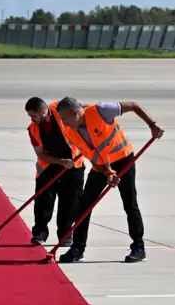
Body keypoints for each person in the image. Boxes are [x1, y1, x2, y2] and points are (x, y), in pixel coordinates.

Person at [54, 97, 164, 263]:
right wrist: (108, 173)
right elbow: (93, 157)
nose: (63, 123)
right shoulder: (71, 132)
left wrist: (152, 125)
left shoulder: (101, 111)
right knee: (85, 205)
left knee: (129, 202)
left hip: (123, 158)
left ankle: (138, 247)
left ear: (75, 113)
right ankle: (78, 248)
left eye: (64, 119)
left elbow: (134, 106)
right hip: (101, 167)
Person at [25, 97, 86, 247]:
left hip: (73, 165)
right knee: (43, 201)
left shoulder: (60, 109)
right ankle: (39, 233)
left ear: (43, 111)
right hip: (48, 166)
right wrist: (60, 162)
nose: (32, 119)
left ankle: (65, 236)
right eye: (30, 116)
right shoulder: (33, 129)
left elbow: (80, 108)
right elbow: (41, 154)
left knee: (70, 202)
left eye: (34, 116)